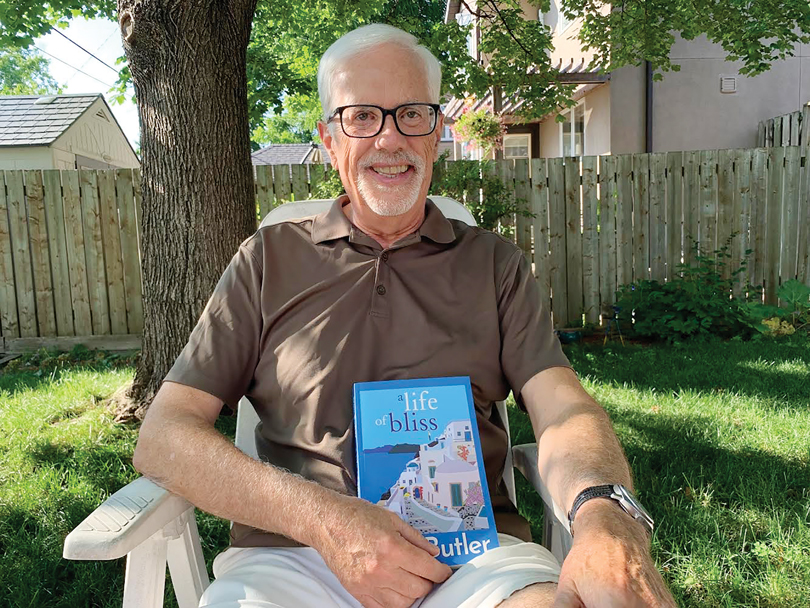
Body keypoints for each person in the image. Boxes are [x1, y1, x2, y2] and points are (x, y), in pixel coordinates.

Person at [133, 23, 677, 608]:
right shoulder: (266, 261)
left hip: (474, 562)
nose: (389, 139)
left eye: (411, 114)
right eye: (361, 117)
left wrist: (603, 516)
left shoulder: (494, 265)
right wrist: (327, 522)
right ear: (329, 139)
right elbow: (164, 436)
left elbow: (564, 410)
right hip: (293, 559)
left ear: (438, 133)